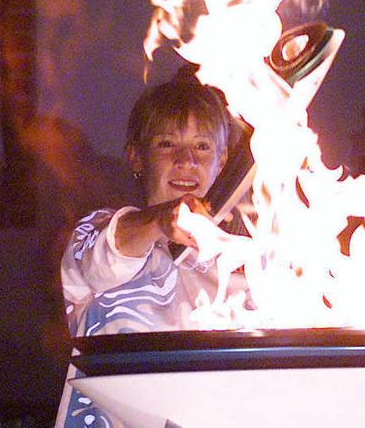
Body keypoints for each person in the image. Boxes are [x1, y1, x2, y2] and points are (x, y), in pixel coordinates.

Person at [55, 69, 248, 428]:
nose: (186, 160)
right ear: (136, 157)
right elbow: (102, 260)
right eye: (167, 144)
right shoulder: (96, 236)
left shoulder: (248, 261)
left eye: (202, 146)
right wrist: (162, 221)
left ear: (222, 162)